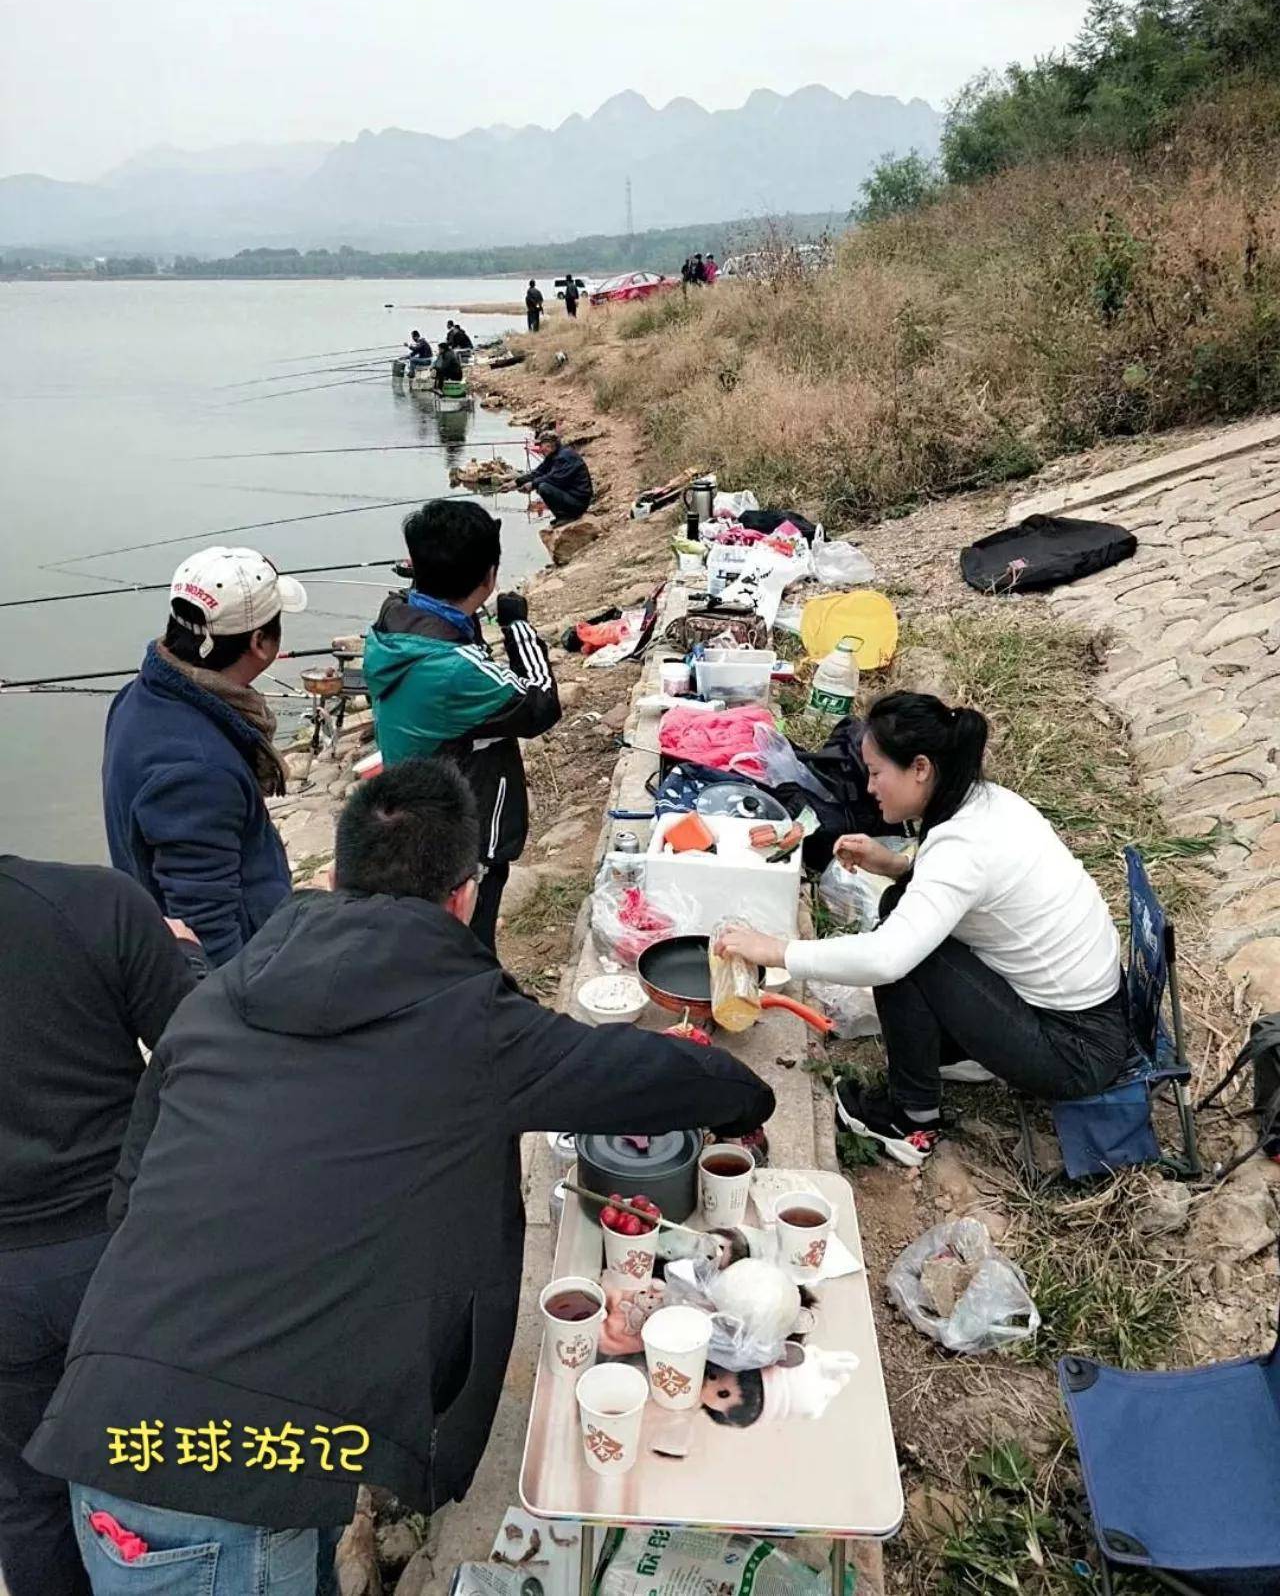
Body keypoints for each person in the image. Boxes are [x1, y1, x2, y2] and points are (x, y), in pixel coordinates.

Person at [26, 761, 776, 1596]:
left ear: (335, 873)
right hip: (212, 1483)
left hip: (111, 1421)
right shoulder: (472, 1027)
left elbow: (129, 1197)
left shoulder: (215, 1000)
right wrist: (750, 1093)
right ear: (464, 895)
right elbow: (639, 1073)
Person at [716, 692, 1130, 1166]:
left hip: (1074, 1050)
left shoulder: (963, 845)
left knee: (907, 945)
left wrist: (777, 950)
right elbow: (961, 894)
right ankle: (965, 1053)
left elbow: (886, 957)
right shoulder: (987, 803)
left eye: (875, 773)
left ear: (920, 768)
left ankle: (911, 1119)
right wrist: (894, 864)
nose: (870, 787)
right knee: (902, 903)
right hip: (1083, 1013)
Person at [0, 857, 205, 1596]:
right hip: (121, 1252)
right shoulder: (93, 903)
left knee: (26, 1497)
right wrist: (180, 955)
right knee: (167, 1476)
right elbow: (206, 1051)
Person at [363, 500, 559, 948]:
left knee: (430, 937)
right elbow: (540, 705)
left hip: (412, 814)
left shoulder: (394, 623)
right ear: (488, 577)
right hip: (463, 831)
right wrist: (518, 628)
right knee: (470, 942)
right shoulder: (456, 670)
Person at [102, 547, 308, 967]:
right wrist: (237, 1016)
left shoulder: (138, 696)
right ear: (260, 643)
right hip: (244, 976)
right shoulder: (198, 772)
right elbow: (205, 929)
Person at [515, 430, 593, 524]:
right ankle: (562, 516)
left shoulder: (564, 456)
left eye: (541, 445)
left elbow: (555, 479)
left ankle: (566, 516)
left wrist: (532, 484)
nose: (541, 449)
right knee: (541, 485)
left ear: (550, 444)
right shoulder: (554, 455)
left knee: (543, 487)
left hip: (578, 501)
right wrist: (516, 482)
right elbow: (538, 472)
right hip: (571, 496)